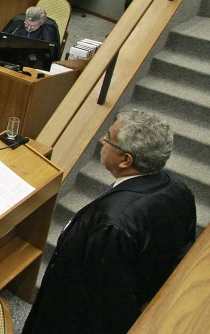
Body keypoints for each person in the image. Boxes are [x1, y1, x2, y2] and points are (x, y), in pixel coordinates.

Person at [23, 110, 196, 334]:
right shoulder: (178, 187)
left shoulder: (112, 224)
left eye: (108, 138)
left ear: (126, 160)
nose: (101, 141)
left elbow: (101, 302)